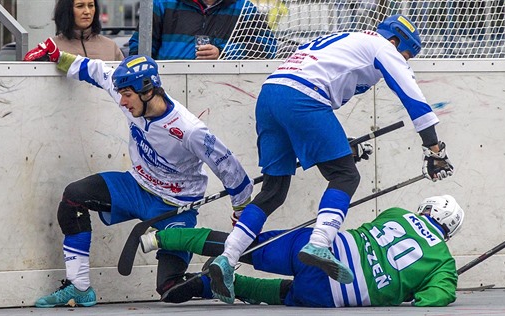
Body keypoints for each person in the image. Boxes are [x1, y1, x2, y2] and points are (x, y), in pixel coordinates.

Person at [208, 14, 456, 304]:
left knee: (274, 192)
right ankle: (319, 243)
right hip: (304, 99)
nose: (405, 61)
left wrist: (339, 144)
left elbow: (315, 96)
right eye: (406, 55)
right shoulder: (384, 48)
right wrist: (434, 149)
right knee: (346, 176)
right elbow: (413, 98)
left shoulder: (349, 39)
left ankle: (226, 257)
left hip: (271, 95)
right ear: (395, 40)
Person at [23, 38, 253, 307]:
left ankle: (218, 280)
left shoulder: (189, 130)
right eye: (121, 94)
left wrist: (241, 213)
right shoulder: (129, 93)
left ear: (147, 91)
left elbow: (231, 169)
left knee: (170, 290)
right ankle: (79, 287)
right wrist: (56, 55)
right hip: (136, 186)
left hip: (177, 205)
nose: (122, 101)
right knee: (74, 196)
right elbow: (95, 70)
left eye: (127, 95)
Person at [140, 194, 464, 307]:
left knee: (245, 246)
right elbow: (431, 299)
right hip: (332, 295)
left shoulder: (398, 214)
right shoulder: (444, 265)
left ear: (426, 210)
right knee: (280, 292)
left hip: (326, 248)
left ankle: (159, 239)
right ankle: (204, 286)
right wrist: (406, 288)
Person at [128, 0, 277, 60]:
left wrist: (224, 53)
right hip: (167, 92)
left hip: (223, 92)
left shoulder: (243, 8)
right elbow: (139, 46)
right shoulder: (163, 4)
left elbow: (268, 47)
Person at [51, 0, 124, 61]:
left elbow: (124, 76)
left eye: (91, 5)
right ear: (66, 10)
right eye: (80, 6)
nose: (87, 12)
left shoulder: (110, 46)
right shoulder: (52, 48)